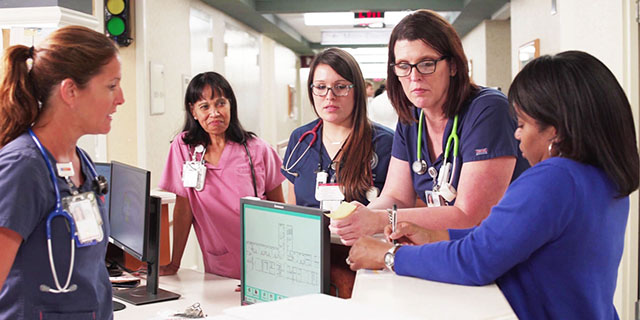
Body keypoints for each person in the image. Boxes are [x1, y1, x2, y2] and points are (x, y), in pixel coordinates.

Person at [348, 51, 639, 320]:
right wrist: (436, 235)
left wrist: (389, 256)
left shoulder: (554, 179)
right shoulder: (601, 177)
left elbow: (476, 260)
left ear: (555, 130)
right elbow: (508, 238)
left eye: (523, 124)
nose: (517, 135)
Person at [331, 9, 529, 246]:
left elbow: (471, 217)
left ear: (454, 66)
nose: (414, 77)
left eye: (426, 64)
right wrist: (361, 216)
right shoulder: (412, 117)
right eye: (403, 65)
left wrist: (377, 220)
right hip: (453, 251)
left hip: (506, 254)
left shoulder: (488, 111)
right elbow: (397, 197)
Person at [0, 26, 124, 319]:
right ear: (70, 91)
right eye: (111, 86)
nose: (120, 98)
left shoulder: (82, 162)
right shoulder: (23, 168)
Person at [280, 48, 394, 297]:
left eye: (340, 86)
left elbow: (401, 209)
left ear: (358, 90)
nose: (329, 96)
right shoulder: (301, 140)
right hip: (309, 265)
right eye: (320, 87)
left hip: (366, 268)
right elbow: (292, 207)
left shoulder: (386, 144)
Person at [159, 72, 284, 279]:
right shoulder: (184, 148)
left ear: (231, 105)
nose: (214, 113)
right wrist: (174, 263)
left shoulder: (258, 149)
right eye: (205, 106)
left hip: (263, 259)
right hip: (220, 262)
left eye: (221, 103)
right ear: (194, 111)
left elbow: (281, 209)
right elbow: (184, 208)